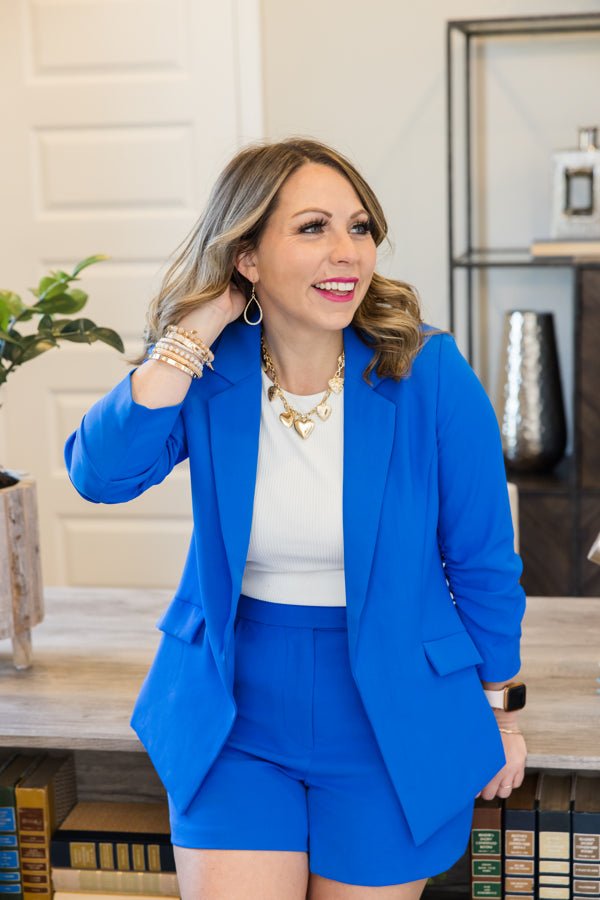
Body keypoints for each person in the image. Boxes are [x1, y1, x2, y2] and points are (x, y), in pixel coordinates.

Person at [64, 137, 528, 900]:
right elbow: (101, 475)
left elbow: (481, 559)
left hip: (393, 713)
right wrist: (194, 331)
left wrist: (501, 711)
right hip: (234, 710)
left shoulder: (429, 373)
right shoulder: (208, 368)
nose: (347, 251)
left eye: (359, 227)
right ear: (247, 256)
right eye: (313, 228)